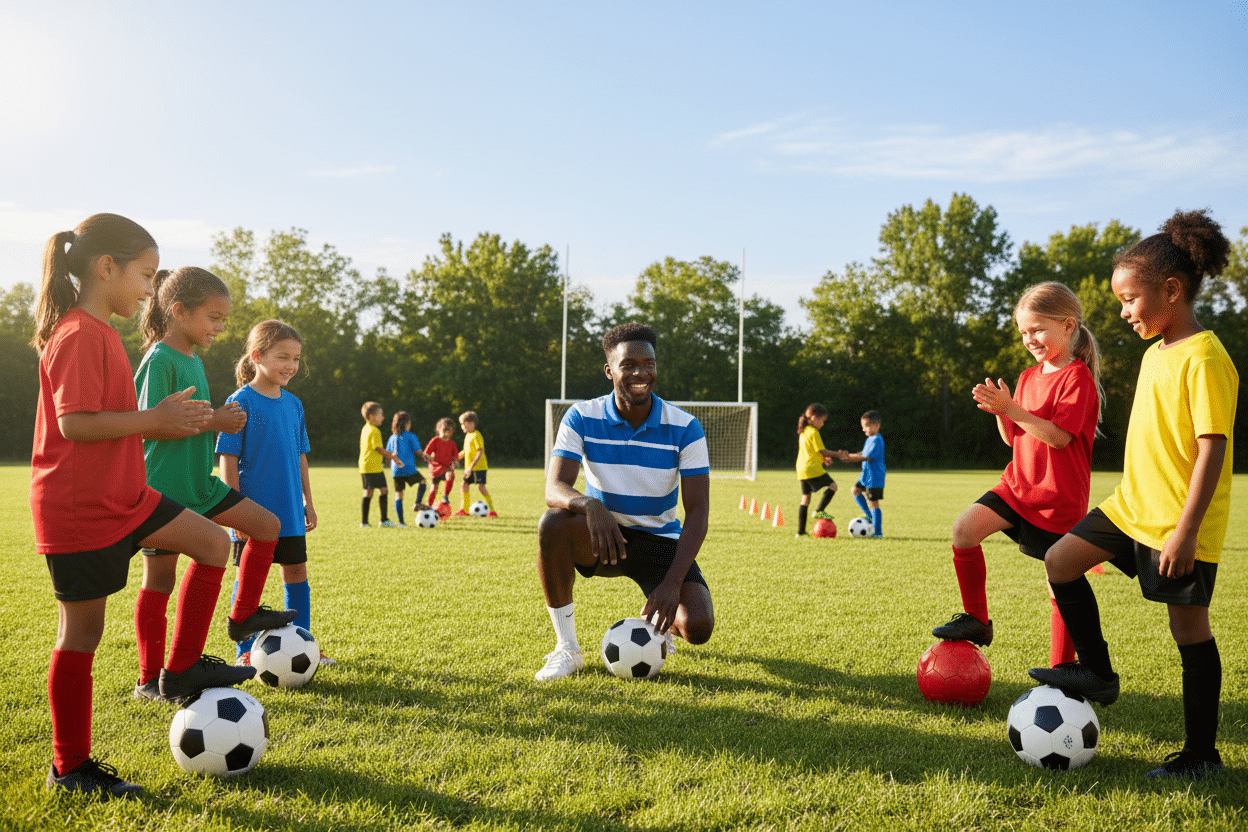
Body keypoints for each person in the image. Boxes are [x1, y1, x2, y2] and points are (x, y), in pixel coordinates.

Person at [31, 214, 253, 798]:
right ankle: (70, 767)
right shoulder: (77, 333)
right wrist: (155, 421)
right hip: (79, 507)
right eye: (147, 276)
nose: (150, 291)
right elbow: (75, 423)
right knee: (81, 636)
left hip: (127, 498)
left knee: (213, 542)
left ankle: (179, 671)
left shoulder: (104, 332)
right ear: (107, 267)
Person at [1028, 210, 1236, 781]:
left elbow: (1212, 450)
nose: (1122, 312)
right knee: (1061, 561)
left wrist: (1186, 531)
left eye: (1129, 299)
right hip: (1129, 509)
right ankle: (1097, 673)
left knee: (1188, 632)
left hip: (1176, 523)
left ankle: (1201, 756)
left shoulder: (1207, 357)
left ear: (1171, 290)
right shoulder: (1154, 354)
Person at [133, 267, 297, 702]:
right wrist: (216, 420)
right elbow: (150, 426)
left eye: (224, 319)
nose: (221, 328)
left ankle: (242, 617)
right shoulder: (160, 358)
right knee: (159, 584)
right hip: (164, 490)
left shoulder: (193, 360)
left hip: (199, 485)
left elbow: (189, 423)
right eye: (214, 317)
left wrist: (214, 422)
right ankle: (152, 677)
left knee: (266, 526)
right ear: (179, 311)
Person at [931, 282, 1102, 668]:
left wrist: (1014, 409)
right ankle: (977, 621)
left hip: (1057, 498)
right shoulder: (1027, 377)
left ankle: (1063, 667)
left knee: (1059, 584)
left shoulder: (1077, 378)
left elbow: (1058, 438)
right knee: (964, 529)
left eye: (1038, 329)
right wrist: (1002, 413)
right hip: (1017, 487)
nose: (1030, 339)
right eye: (1024, 332)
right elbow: (1014, 439)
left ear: (1068, 325)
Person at [535, 321, 714, 681]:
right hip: (605, 536)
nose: (640, 372)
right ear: (609, 371)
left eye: (648, 364)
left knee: (698, 627)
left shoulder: (686, 427)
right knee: (553, 522)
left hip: (661, 541)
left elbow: (697, 513)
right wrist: (590, 505)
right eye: (628, 365)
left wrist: (671, 582)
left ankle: (658, 622)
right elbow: (554, 487)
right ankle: (566, 649)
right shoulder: (582, 416)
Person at [216, 320, 335, 667]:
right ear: (257, 356)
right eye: (283, 357)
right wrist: (233, 510)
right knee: (249, 580)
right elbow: (228, 458)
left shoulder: (294, 404)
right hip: (251, 514)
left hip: (289, 511)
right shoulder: (240, 401)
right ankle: (244, 653)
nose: (291, 366)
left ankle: (305, 645)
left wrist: (307, 502)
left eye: (296, 359)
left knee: (296, 574)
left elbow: (300, 456)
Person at [837, 411, 885, 536]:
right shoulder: (870, 439)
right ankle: (869, 517)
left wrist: (850, 459)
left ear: (877, 426)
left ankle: (878, 533)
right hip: (866, 476)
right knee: (855, 490)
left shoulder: (877, 440)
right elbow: (862, 453)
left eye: (867, 426)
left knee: (873, 503)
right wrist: (849, 455)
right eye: (863, 426)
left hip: (875, 477)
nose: (864, 429)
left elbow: (866, 457)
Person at [793, 403, 838, 538]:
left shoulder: (803, 431)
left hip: (802, 469)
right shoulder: (813, 432)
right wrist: (837, 454)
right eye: (822, 420)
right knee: (833, 486)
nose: (823, 424)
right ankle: (819, 510)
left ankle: (800, 532)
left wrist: (823, 459)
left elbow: (811, 452)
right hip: (812, 469)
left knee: (805, 499)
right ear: (812, 418)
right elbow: (822, 450)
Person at [359, 401, 402, 528]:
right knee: (381, 490)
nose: (382, 417)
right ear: (372, 416)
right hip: (372, 467)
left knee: (371, 492)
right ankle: (382, 521)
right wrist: (392, 457)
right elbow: (378, 448)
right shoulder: (374, 431)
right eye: (380, 415)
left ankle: (366, 522)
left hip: (366, 466)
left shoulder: (365, 428)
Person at [386, 410, 431, 525]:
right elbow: (418, 451)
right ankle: (417, 503)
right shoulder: (411, 436)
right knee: (422, 481)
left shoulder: (392, 437)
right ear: (406, 423)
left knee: (398, 494)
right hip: (408, 469)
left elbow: (388, 454)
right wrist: (427, 457)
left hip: (396, 470)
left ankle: (401, 523)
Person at [455, 410, 496, 517]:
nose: (462, 427)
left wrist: (471, 467)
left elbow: (480, 451)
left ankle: (492, 511)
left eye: (463, 424)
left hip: (479, 467)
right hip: (469, 468)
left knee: (481, 487)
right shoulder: (468, 436)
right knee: (464, 485)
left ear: (471, 423)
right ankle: (464, 509)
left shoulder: (477, 435)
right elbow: (465, 451)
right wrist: (455, 458)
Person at [424, 417, 458, 515]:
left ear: (451, 432)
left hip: (446, 468)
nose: (446, 433)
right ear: (439, 429)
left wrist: (454, 463)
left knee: (450, 475)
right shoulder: (435, 440)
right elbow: (426, 453)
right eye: (444, 430)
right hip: (436, 468)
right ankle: (429, 506)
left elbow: (455, 457)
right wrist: (428, 457)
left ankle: (445, 496)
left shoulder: (452, 444)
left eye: (449, 431)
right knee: (434, 488)